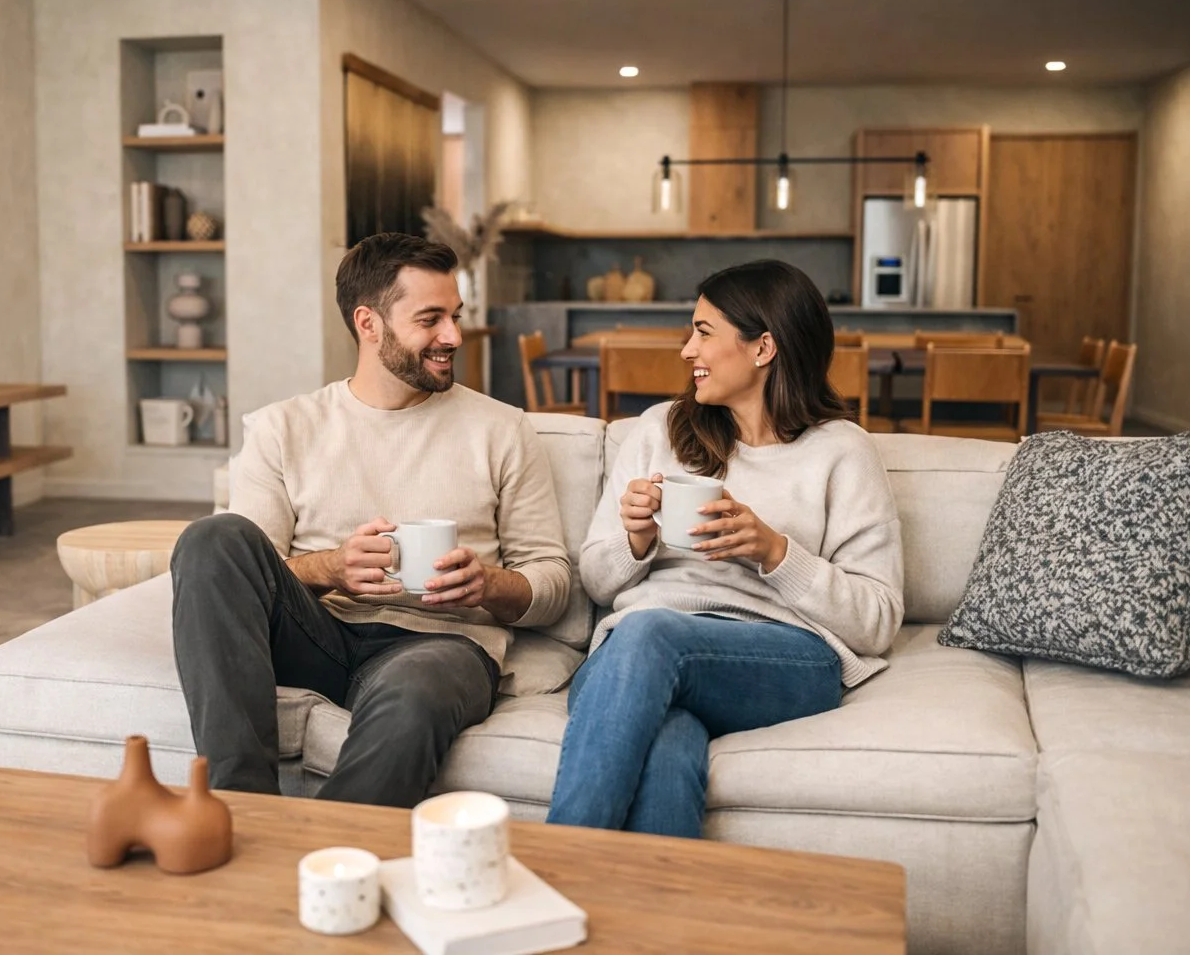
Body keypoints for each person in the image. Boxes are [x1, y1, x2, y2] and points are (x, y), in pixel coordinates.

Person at [172, 232, 570, 808]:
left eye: (455, 317)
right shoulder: (283, 428)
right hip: (319, 637)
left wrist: (489, 583)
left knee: (417, 690)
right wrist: (331, 568)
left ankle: (334, 859)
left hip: (441, 645)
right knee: (212, 538)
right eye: (431, 319)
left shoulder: (501, 430)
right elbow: (246, 570)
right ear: (369, 323)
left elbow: (553, 583)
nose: (453, 337)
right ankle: (242, 809)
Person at [545, 259, 904, 838]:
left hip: (780, 656)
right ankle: (658, 925)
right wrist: (636, 540)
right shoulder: (660, 429)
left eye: (704, 332)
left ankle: (557, 863)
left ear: (763, 347)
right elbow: (595, 579)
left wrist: (775, 554)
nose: (687, 350)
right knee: (669, 739)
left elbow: (879, 620)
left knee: (649, 634)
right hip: (634, 658)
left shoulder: (843, 452)